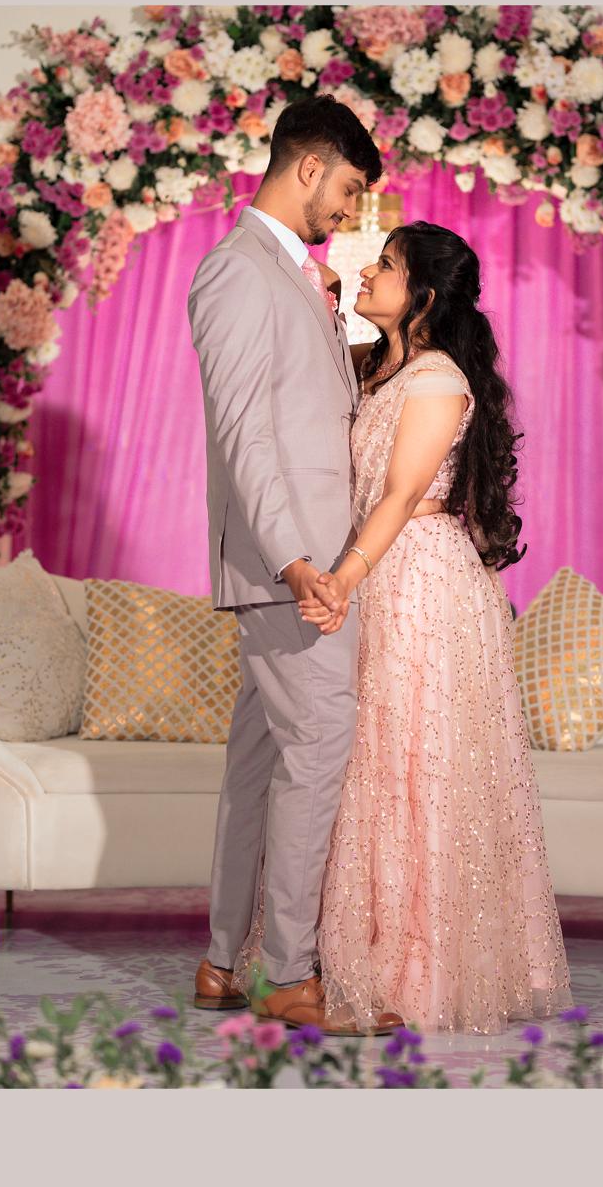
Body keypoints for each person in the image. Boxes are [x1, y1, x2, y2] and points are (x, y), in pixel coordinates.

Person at [235, 221, 573, 1034]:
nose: (366, 271)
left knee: (411, 767)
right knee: (357, 762)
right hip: (374, 574)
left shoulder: (438, 379)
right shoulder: (377, 368)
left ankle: (407, 968)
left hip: (419, 584)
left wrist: (342, 579)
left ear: (422, 294)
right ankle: (326, 956)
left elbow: (399, 495)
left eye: (384, 265)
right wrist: (316, 298)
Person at [186, 95, 402, 1035]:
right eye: (348, 190)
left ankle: (222, 962)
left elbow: (314, 411)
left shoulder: (296, 274)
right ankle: (288, 975)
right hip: (296, 569)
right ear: (308, 167)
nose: (351, 212)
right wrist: (295, 559)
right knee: (317, 751)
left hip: (302, 562)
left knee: (260, 765)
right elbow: (244, 433)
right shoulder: (237, 272)